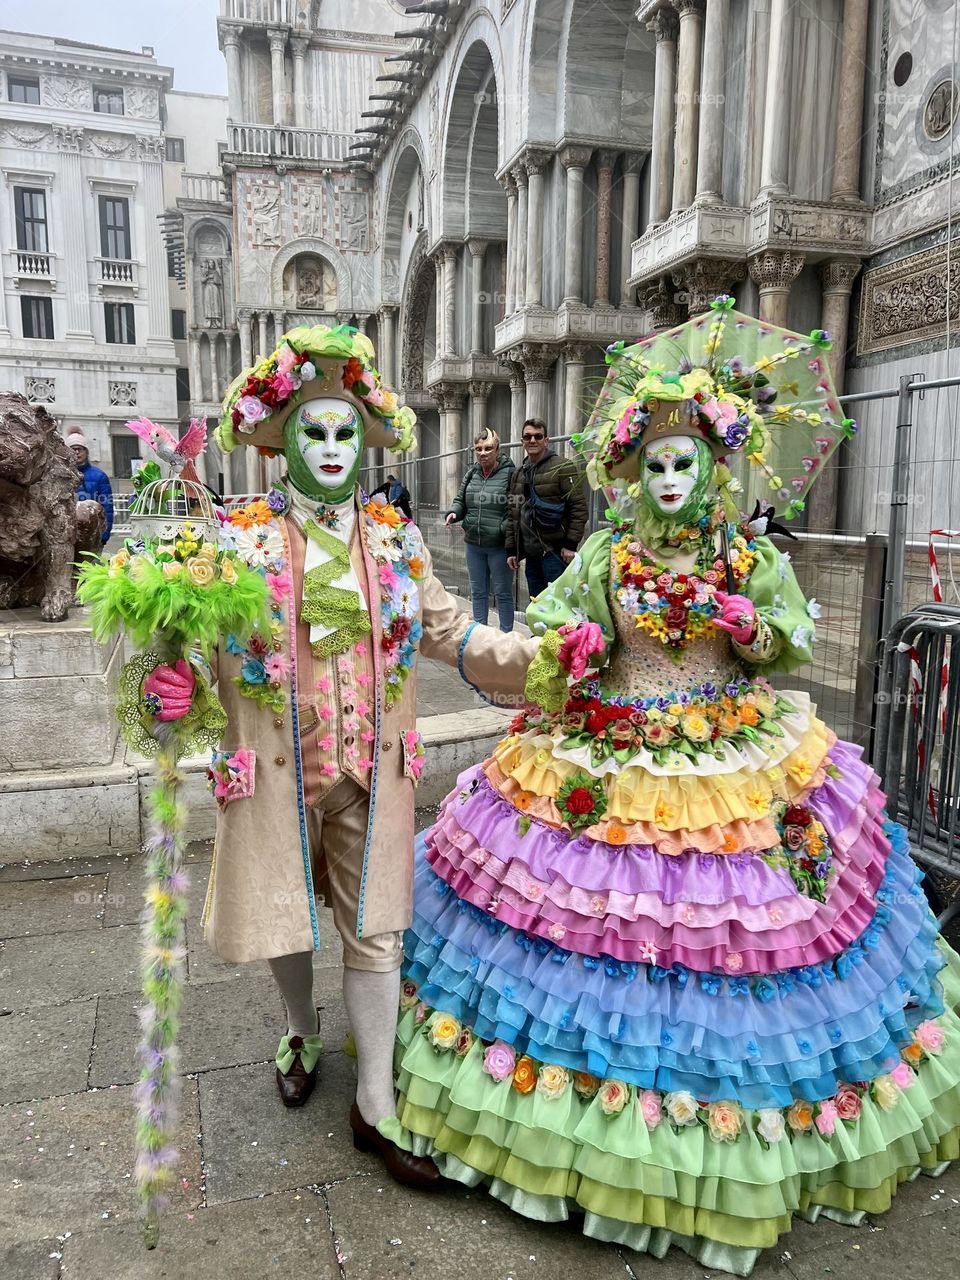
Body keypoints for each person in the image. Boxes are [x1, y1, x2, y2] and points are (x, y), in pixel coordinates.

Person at [394, 297, 960, 1270]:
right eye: (652, 462)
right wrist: (568, 644)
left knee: (745, 931)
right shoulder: (610, 554)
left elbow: (786, 636)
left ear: (713, 465)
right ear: (629, 468)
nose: (668, 476)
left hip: (731, 753)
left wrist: (747, 621)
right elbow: (559, 630)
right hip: (611, 750)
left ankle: (732, 1128)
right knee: (606, 919)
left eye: (685, 460)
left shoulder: (745, 549)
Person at [139, 326, 541, 1190]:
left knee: (378, 930)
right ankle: (300, 1026)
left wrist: (544, 657)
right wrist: (164, 689)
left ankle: (375, 1104)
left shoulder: (396, 543)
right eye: (313, 432)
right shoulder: (235, 541)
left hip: (370, 773)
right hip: (276, 775)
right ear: (282, 442)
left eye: (343, 432)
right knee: (286, 913)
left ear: (365, 442)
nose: (329, 448)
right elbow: (171, 649)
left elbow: (449, 632)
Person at [506, 416, 587, 598]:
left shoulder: (563, 466)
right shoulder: (519, 473)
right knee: (537, 605)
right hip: (532, 554)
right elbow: (513, 514)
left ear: (546, 440)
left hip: (556, 553)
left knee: (559, 604)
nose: (532, 440)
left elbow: (578, 507)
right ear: (522, 442)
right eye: (528, 437)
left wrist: (570, 545)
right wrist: (512, 550)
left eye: (538, 436)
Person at [445, 428, 516, 632]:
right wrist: (454, 513)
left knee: (502, 593)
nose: (483, 453)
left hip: (498, 546)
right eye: (478, 449)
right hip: (473, 544)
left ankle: (506, 637)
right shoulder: (471, 473)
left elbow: (515, 508)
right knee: (478, 592)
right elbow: (460, 500)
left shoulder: (510, 473)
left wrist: (501, 529)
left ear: (497, 449)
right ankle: (479, 634)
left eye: (488, 448)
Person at [66, 427, 113, 543]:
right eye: (73, 449)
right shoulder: (60, 475)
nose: (76, 453)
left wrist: (104, 535)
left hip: (92, 535)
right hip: (67, 535)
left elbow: (107, 507)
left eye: (79, 449)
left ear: (86, 452)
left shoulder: (99, 476)